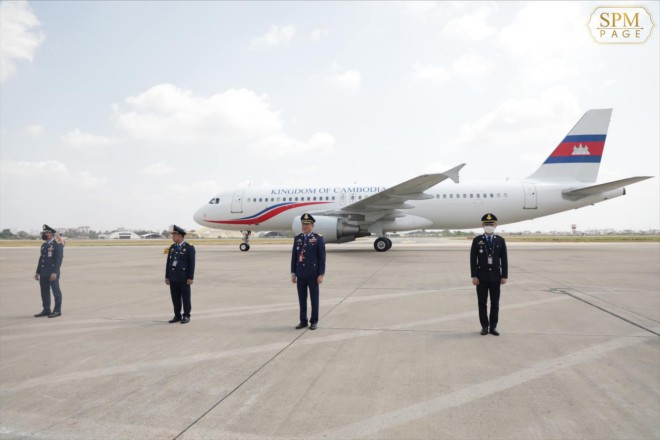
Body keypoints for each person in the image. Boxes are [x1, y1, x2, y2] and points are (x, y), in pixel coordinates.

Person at [470, 213, 508, 336]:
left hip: (496, 277)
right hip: (481, 277)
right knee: (482, 303)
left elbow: (504, 259)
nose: (489, 226)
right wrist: (474, 276)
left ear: (495, 225)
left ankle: (493, 327)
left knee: (495, 303)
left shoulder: (500, 240)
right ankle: (484, 327)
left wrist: (504, 276)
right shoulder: (477, 240)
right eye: (487, 224)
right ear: (482, 225)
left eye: (491, 224)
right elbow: (473, 260)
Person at [291, 213, 326, 330]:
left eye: (307, 224)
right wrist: (293, 273)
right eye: (303, 224)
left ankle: (314, 321)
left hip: (313, 275)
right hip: (300, 274)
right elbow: (294, 257)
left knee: (314, 299)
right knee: (302, 299)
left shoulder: (318, 238)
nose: (305, 226)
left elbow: (322, 258)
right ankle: (303, 321)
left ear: (312, 225)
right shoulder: (298, 238)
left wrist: (321, 274)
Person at [165, 225, 195, 324]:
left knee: (185, 298)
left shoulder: (189, 248)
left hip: (184, 278)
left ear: (180, 236)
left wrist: (190, 277)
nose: (172, 237)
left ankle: (186, 315)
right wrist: (167, 276)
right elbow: (168, 263)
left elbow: (191, 264)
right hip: (173, 277)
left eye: (174, 235)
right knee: (175, 298)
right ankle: (177, 315)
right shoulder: (172, 247)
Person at [34, 224, 64, 318]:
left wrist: (55, 272)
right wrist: (38, 272)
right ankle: (46, 309)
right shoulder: (44, 245)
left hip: (52, 273)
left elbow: (58, 259)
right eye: (43, 233)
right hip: (43, 272)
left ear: (50, 234)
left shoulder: (57, 244)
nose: (43, 234)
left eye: (45, 233)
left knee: (56, 292)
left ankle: (57, 310)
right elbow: (41, 259)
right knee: (44, 292)